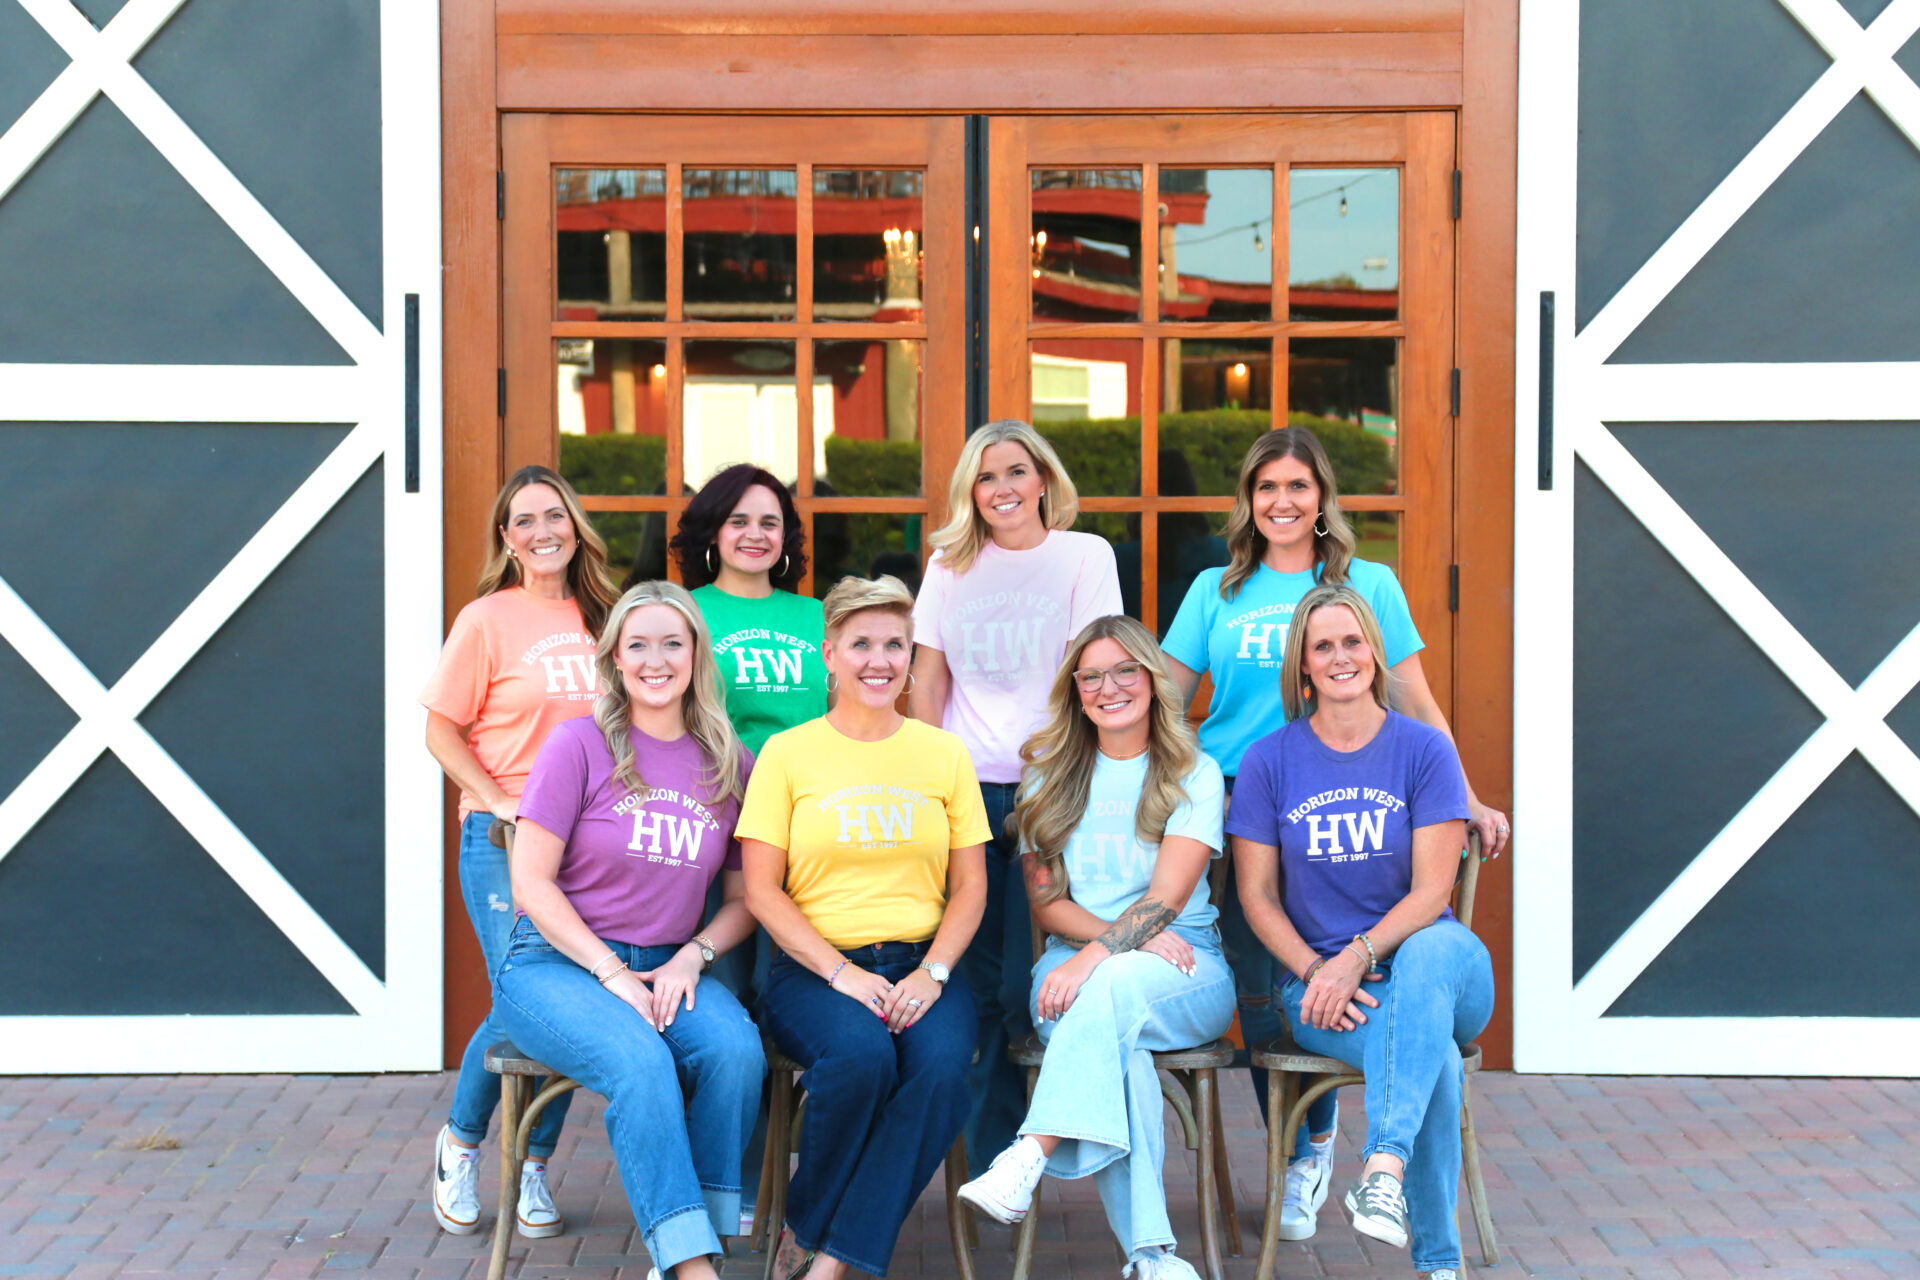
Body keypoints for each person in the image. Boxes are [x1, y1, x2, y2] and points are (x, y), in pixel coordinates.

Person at [1160, 426, 1508, 1240]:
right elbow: (1165, 704)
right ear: (1248, 501)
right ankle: (1306, 1149)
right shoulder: (1215, 589)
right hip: (1242, 803)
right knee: (1260, 997)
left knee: (1386, 965)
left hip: (1353, 797)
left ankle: (1366, 1167)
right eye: (1267, 487)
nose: (1282, 501)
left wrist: (1464, 795)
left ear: (1322, 499)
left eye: (1298, 486)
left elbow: (1414, 700)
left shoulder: (1367, 584)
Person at [493, 581, 765, 1280]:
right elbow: (531, 883)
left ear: (696, 654)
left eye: (672, 643)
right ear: (614, 657)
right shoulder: (578, 744)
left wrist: (694, 957)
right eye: (637, 645)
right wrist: (610, 973)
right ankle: (690, 1268)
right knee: (641, 1063)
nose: (655, 660)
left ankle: (701, 1237)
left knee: (736, 1052)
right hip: (555, 965)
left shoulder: (730, 762)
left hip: (667, 966)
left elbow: (745, 898)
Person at [1228, 583, 1493, 1280]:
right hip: (1321, 990)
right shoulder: (1268, 761)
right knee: (1430, 1054)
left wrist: (1356, 956)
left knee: (1429, 954)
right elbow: (1257, 896)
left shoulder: (1424, 750)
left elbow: (1433, 890)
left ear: (1375, 651)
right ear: (1303, 664)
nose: (1340, 656)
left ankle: (1383, 1163)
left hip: (1435, 965)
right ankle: (1438, 1263)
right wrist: (1318, 972)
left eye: (1352, 642)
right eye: (1323, 646)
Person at [958, 616, 1233, 1280]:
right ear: (1076, 692)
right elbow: (1047, 904)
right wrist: (1112, 944)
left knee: (1109, 990)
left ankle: (1030, 1151)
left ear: (1152, 678)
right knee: (1123, 1050)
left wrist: (1095, 956)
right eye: (1092, 677)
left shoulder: (1192, 771)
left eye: (1125, 671)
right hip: (1074, 963)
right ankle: (1151, 1257)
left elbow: (1167, 900)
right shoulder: (1046, 777)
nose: (1110, 688)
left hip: (1182, 964)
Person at [740, 576, 991, 1280]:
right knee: (861, 1058)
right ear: (829, 654)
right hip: (816, 970)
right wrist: (841, 972)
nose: (879, 661)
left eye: (895, 645)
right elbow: (761, 890)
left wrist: (934, 973)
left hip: (924, 964)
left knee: (941, 1071)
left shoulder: (944, 754)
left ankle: (826, 1252)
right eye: (861, 644)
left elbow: (971, 886)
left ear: (911, 656)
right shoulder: (787, 754)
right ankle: (813, 1222)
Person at [909, 419, 1124, 1174]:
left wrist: (1059, 777)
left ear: (1042, 481)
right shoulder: (949, 565)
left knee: (1017, 983)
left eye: (1015, 472)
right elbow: (928, 681)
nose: (1001, 489)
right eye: (985, 477)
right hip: (965, 792)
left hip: (1050, 791)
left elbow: (1087, 671)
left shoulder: (1084, 555)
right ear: (970, 491)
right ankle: (986, 1161)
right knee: (971, 979)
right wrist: (924, 781)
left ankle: (1032, 1147)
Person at [419, 464, 621, 1239]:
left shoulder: (605, 615)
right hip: (502, 836)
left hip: (589, 841)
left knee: (572, 993)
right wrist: (496, 795)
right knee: (522, 995)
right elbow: (440, 730)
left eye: (555, 516)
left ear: (576, 527)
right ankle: (463, 1144)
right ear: (506, 538)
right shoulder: (486, 619)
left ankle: (533, 1164)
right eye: (525, 521)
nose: (543, 532)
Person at [670, 464, 827, 1226]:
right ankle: (721, 1181)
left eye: (770, 522)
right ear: (712, 532)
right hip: (715, 833)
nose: (755, 535)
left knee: (786, 1001)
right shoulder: (689, 614)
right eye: (738, 521)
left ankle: (778, 1179)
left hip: (808, 838)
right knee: (722, 1007)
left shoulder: (816, 617)